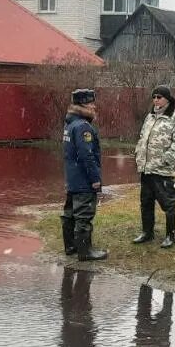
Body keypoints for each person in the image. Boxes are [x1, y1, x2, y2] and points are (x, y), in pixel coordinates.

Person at [133, 85, 175, 248]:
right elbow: (143, 137)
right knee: (146, 202)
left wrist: (166, 159)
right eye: (154, 97)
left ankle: (170, 236)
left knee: (167, 204)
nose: (156, 100)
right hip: (146, 169)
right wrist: (138, 154)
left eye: (159, 97)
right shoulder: (150, 117)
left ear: (167, 99)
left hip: (163, 170)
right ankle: (147, 233)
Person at [62, 88, 108, 262]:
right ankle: (85, 251)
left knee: (69, 213)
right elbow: (86, 156)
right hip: (83, 180)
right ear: (83, 105)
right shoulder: (83, 127)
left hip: (72, 178)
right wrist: (95, 179)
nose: (94, 106)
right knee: (84, 215)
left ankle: (70, 246)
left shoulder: (70, 123)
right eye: (91, 103)